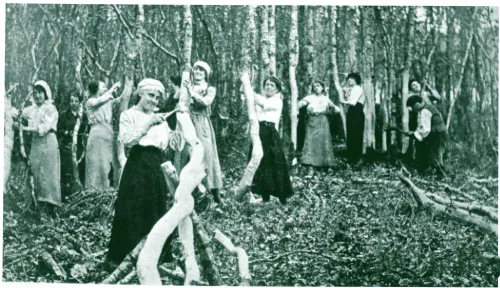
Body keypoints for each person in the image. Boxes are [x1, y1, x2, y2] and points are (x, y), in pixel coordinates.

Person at [107, 78, 174, 265]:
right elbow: (127, 140)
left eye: (157, 98)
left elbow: (168, 144)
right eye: (150, 96)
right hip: (137, 164)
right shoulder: (128, 115)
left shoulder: (160, 118)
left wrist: (180, 131)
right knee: (134, 207)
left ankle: (155, 258)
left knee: (156, 208)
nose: (154, 101)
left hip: (157, 164)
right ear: (140, 94)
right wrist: (148, 124)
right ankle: (128, 256)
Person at [248, 76, 294, 204]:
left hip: (270, 133)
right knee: (261, 163)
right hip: (259, 131)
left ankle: (282, 198)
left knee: (275, 163)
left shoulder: (277, 100)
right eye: (267, 84)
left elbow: (264, 104)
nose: (268, 87)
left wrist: (251, 93)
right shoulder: (261, 98)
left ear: (277, 89)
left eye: (272, 85)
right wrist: (247, 82)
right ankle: (264, 197)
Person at [182, 61, 223, 204]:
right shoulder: (188, 85)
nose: (198, 72)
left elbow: (205, 102)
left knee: (207, 155)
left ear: (206, 74)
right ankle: (193, 192)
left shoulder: (209, 89)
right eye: (196, 70)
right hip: (188, 121)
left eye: (201, 70)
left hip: (202, 123)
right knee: (188, 154)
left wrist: (191, 93)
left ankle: (214, 192)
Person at [21, 80, 61, 213]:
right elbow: (22, 115)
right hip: (36, 144)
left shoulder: (51, 108)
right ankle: (35, 204)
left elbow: (43, 128)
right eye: (35, 93)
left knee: (48, 174)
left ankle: (49, 207)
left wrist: (26, 128)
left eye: (40, 93)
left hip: (48, 142)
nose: (37, 96)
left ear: (45, 94)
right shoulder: (31, 109)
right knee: (36, 171)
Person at [85, 80, 122, 191]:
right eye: (103, 87)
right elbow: (99, 102)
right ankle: (94, 191)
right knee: (96, 164)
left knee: (107, 164)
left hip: (108, 135)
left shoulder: (108, 100)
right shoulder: (91, 101)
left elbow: (119, 100)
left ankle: (106, 190)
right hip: (97, 136)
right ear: (95, 89)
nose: (105, 89)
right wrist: (113, 88)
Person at [298, 80, 340, 173]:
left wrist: (332, 108)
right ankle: (311, 165)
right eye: (315, 86)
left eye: (318, 86)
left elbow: (337, 109)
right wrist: (300, 104)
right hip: (312, 120)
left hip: (323, 121)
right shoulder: (310, 97)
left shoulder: (326, 99)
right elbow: (301, 103)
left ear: (322, 88)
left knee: (324, 142)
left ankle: (327, 165)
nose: (316, 87)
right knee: (311, 141)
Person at [57, 90, 88, 199]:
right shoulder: (64, 115)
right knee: (66, 172)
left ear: (79, 102)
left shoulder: (83, 116)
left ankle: (79, 194)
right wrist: (66, 132)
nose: (73, 103)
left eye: (76, 101)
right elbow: (58, 129)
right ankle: (66, 196)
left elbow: (86, 130)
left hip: (80, 148)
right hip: (67, 147)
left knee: (79, 170)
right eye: (71, 101)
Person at [406, 95, 447, 175]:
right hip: (437, 134)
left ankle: (440, 176)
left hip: (437, 135)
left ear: (417, 104)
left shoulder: (425, 111)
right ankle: (435, 175)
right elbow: (422, 125)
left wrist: (415, 134)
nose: (413, 109)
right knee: (435, 156)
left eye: (413, 106)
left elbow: (425, 129)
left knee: (435, 157)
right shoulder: (426, 108)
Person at [339, 73, 365, 166]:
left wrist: (343, 101)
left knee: (356, 135)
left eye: (352, 79)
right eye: (349, 79)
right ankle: (351, 158)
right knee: (351, 135)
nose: (349, 80)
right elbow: (342, 88)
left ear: (356, 80)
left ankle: (356, 158)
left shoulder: (357, 88)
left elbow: (353, 102)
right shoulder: (352, 89)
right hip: (352, 112)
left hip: (356, 112)